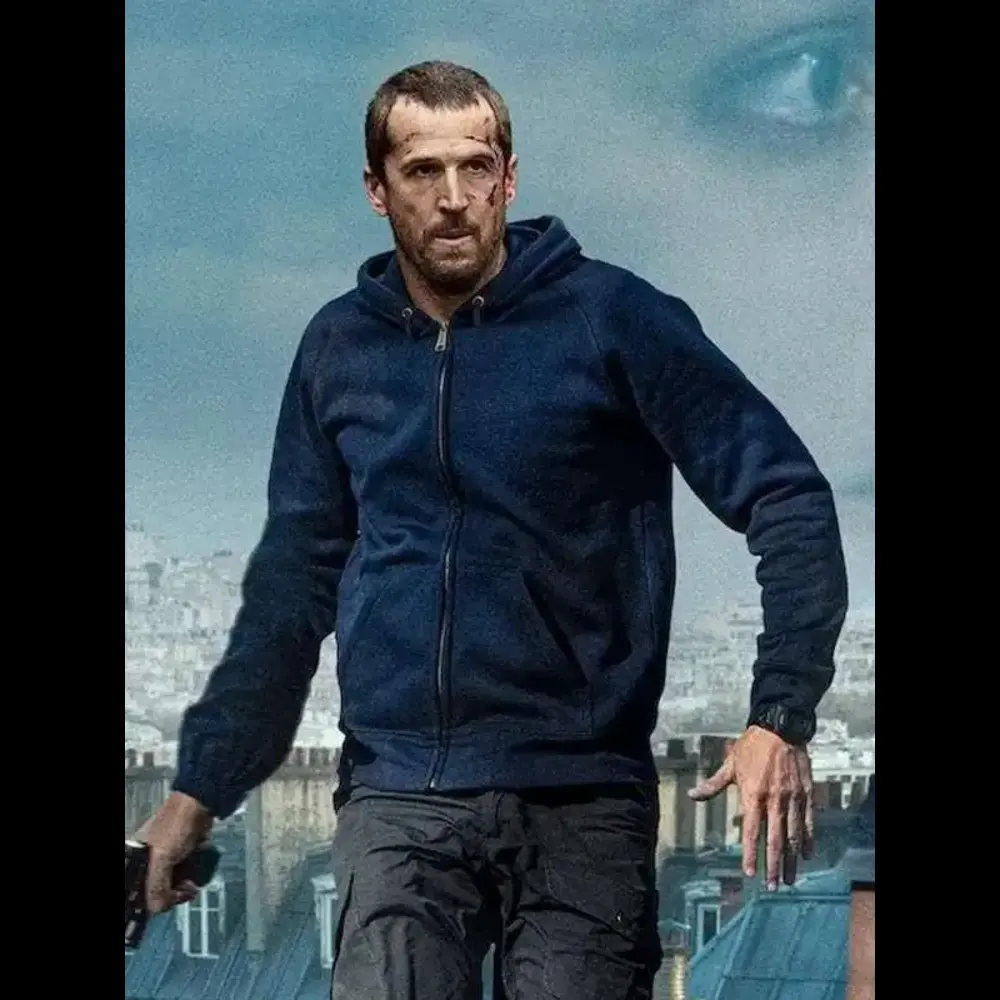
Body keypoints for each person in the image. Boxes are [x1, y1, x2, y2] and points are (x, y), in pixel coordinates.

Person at [134, 61, 849, 1000]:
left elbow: (787, 496)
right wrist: (199, 793)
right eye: (422, 171)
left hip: (581, 795)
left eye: (476, 167)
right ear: (376, 189)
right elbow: (291, 592)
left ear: (509, 178)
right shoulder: (338, 347)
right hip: (396, 793)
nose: (454, 198)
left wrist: (778, 716)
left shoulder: (612, 318)